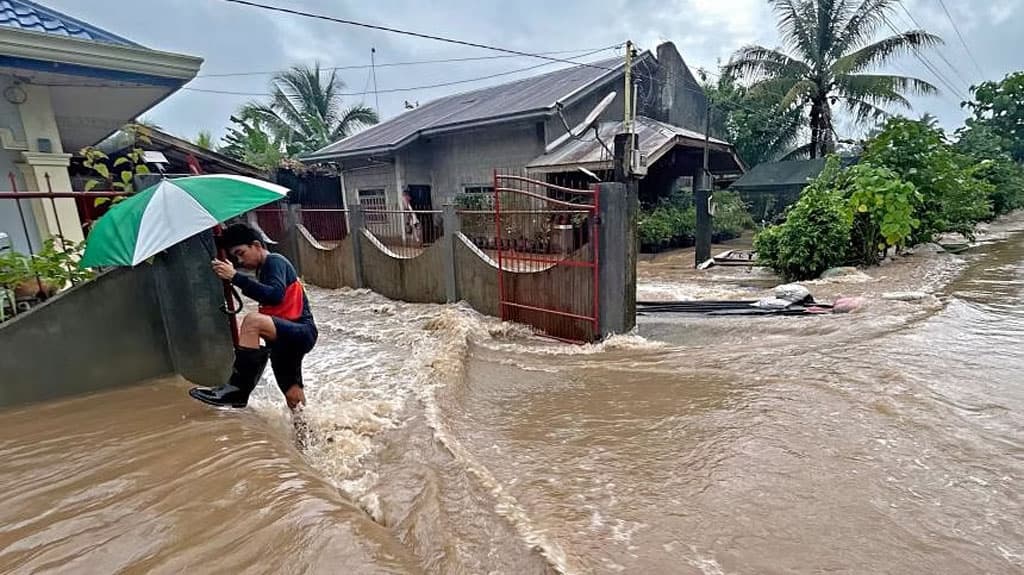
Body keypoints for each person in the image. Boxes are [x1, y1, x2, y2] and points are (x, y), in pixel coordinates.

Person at [188, 223, 317, 411]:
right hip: (282, 341)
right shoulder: (262, 270)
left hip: (300, 331)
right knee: (293, 397)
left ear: (257, 245)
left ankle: (238, 389)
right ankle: (307, 437)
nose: (240, 261)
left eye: (241, 253)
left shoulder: (275, 261)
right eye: (235, 256)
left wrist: (235, 277)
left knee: (252, 321)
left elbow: (274, 295)